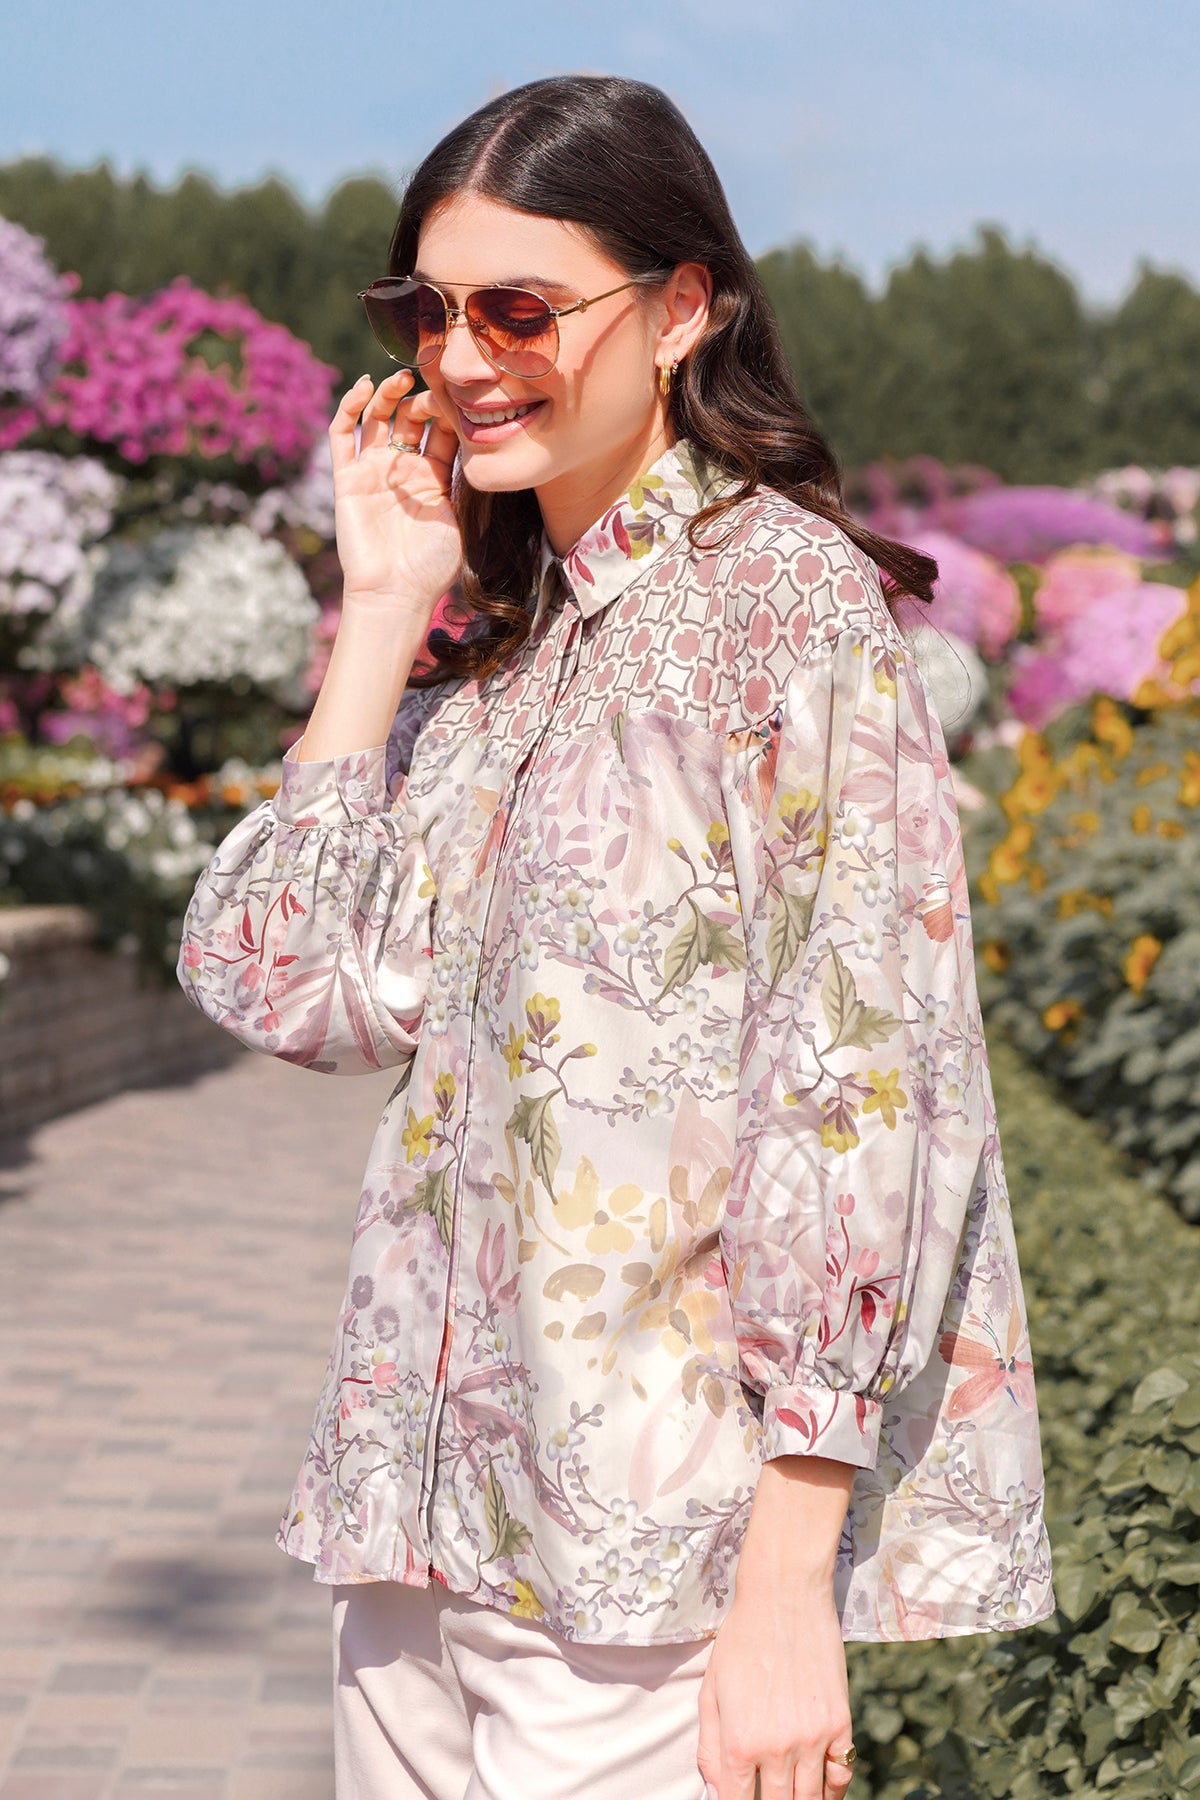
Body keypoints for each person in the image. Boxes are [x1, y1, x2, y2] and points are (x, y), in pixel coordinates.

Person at [177, 72, 1055, 1800]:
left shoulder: (783, 607)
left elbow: (864, 1098)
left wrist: (788, 1591)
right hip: (410, 1537)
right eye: (425, 312)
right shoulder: (500, 654)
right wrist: (381, 613)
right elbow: (288, 985)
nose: (461, 359)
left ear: (679, 309)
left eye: (519, 308)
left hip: (649, 1566)